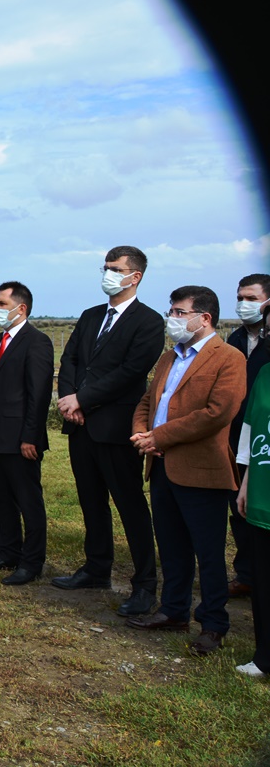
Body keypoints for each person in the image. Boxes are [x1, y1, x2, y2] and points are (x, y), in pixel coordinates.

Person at [128, 286, 245, 657]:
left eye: (179, 312)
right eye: (172, 311)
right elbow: (149, 400)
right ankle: (173, 611)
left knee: (208, 553)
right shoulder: (168, 358)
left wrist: (159, 436)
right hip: (161, 466)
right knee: (173, 547)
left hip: (201, 470)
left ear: (204, 318)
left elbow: (217, 413)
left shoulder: (229, 358)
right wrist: (141, 432)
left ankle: (213, 624)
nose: (172, 318)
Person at [52, 246, 165, 617]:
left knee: (130, 505)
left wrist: (82, 400)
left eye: (115, 269)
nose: (107, 274)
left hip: (115, 427)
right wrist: (68, 396)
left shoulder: (148, 322)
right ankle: (96, 567)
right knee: (90, 500)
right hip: (80, 425)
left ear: (136, 277)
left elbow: (130, 372)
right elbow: (69, 359)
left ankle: (145, 583)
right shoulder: (89, 316)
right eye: (105, 267)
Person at [0, 282, 54, 586]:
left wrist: (30, 436)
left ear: (21, 309)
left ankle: (31, 563)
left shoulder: (37, 342)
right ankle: (8, 552)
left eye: (2, 304)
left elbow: (39, 394)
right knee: (2, 499)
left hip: (21, 439)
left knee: (28, 502)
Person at [227, 274, 270, 598]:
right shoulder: (235, 339)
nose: (244, 304)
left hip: (263, 439)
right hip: (235, 436)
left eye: (252, 298)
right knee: (238, 507)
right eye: (241, 297)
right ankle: (246, 573)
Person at [235, 360, 270, 678]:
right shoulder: (264, 373)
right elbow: (250, 427)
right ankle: (264, 656)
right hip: (262, 494)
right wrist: (246, 482)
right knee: (262, 581)